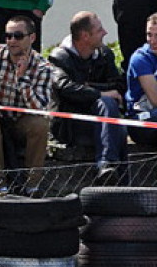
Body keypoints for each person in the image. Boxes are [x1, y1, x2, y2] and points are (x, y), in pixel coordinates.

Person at [0, 15, 53, 196]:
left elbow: (38, 108)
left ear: (32, 38)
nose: (11, 40)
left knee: (40, 124)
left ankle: (33, 186)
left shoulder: (43, 67)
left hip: (21, 121)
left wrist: (22, 78)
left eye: (18, 36)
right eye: (8, 36)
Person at [48, 11, 127, 184]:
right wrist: (99, 93)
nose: (105, 32)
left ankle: (109, 174)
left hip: (102, 120)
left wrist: (86, 87)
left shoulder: (105, 54)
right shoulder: (59, 58)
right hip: (71, 126)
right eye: (99, 30)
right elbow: (65, 88)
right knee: (109, 108)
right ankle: (110, 173)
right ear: (85, 36)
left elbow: (119, 85)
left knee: (119, 126)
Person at [125, 11, 157, 187]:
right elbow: (156, 99)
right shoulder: (141, 58)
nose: (152, 41)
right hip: (141, 120)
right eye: (149, 35)